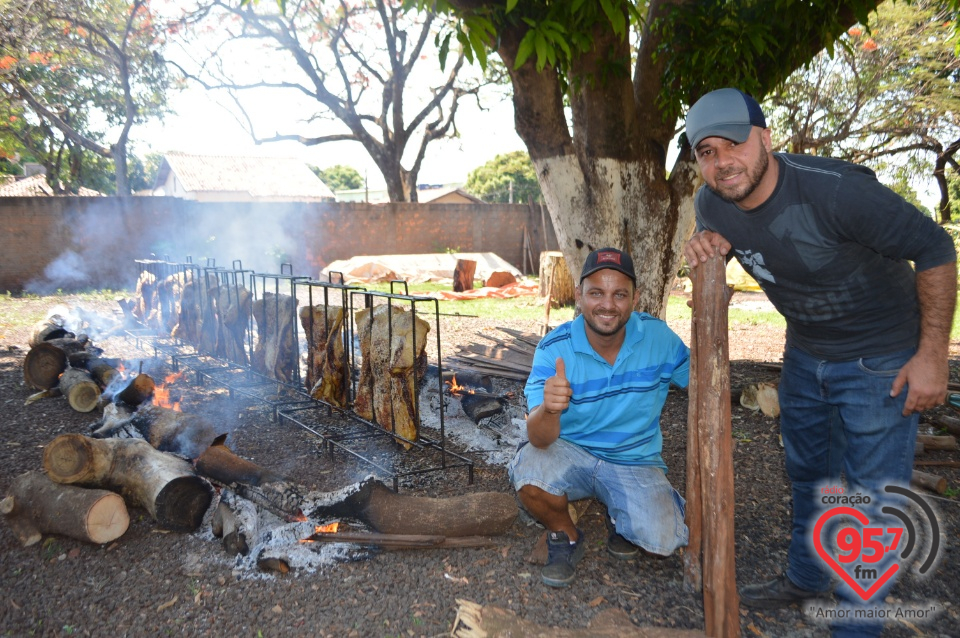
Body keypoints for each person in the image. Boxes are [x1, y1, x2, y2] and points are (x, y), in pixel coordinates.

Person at [683, 88, 957, 636]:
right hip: (806, 354)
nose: (721, 162)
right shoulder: (712, 203)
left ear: (765, 138)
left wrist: (931, 358)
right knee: (808, 475)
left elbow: (935, 248)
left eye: (732, 144)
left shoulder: (838, 194)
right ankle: (806, 577)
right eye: (706, 152)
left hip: (882, 357)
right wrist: (706, 245)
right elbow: (719, 237)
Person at [509, 247, 690, 588]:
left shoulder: (659, 339)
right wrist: (549, 408)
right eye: (596, 293)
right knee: (529, 472)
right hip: (571, 451)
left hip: (634, 460)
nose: (607, 305)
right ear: (579, 296)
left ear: (635, 298)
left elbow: (703, 379)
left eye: (619, 294)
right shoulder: (554, 348)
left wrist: (710, 320)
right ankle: (566, 534)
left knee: (663, 541)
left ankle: (621, 517)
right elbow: (540, 438)